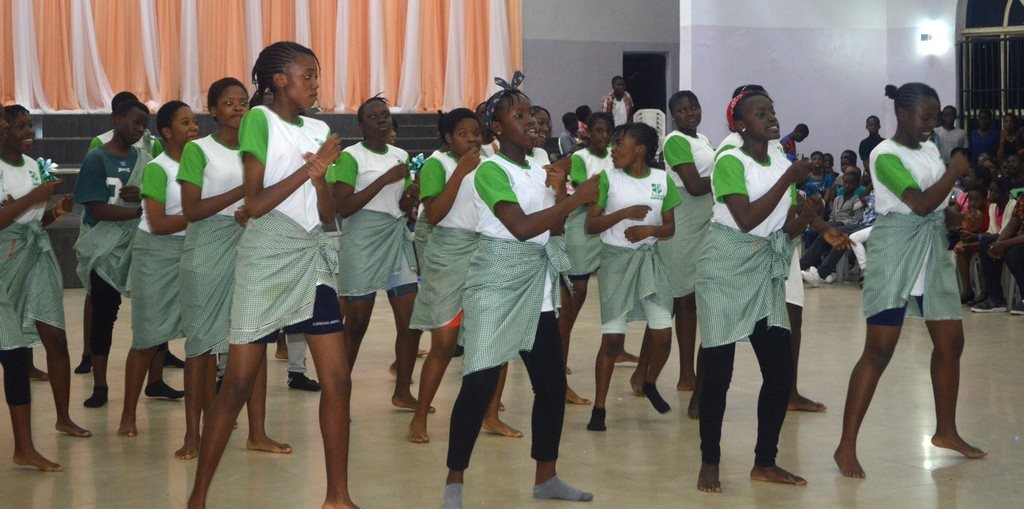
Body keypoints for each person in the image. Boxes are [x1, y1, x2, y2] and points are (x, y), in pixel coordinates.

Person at [187, 41, 355, 509]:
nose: (315, 83)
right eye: (308, 75)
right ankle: (197, 497)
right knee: (237, 383)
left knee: (338, 381)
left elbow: (327, 215)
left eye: (316, 75)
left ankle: (338, 496)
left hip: (312, 255)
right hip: (266, 257)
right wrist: (310, 170)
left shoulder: (320, 129)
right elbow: (255, 203)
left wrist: (320, 181)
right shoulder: (259, 119)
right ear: (280, 80)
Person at [441, 74, 596, 509]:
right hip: (496, 283)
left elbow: (553, 229)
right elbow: (521, 227)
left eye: (532, 113)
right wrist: (577, 197)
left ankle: (546, 477)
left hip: (538, 287)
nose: (532, 121)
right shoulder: (491, 170)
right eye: (520, 115)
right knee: (478, 384)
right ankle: (454, 484)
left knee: (551, 386)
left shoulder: (540, 164)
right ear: (496, 128)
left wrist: (559, 191)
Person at [834, 83, 987, 479]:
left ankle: (946, 431)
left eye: (935, 117)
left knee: (951, 343)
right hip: (897, 250)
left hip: (931, 249)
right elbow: (918, 203)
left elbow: (936, 206)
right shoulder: (884, 154)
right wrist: (954, 171)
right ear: (902, 114)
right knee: (879, 351)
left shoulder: (930, 149)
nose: (931, 124)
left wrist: (955, 215)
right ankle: (846, 444)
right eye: (925, 116)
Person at [695, 89, 811, 493]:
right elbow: (744, 218)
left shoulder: (779, 157)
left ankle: (765, 461)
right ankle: (710, 461)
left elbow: (783, 223)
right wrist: (788, 180)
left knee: (779, 371)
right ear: (741, 125)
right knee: (718, 372)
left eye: (772, 110)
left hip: (763, 265)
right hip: (724, 265)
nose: (771, 117)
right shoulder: (730, 160)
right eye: (761, 113)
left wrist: (808, 217)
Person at [407, 108, 519, 443]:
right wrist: (460, 173)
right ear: (447, 138)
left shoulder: (491, 163)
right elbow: (434, 215)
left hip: (485, 250)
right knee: (444, 342)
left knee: (495, 338)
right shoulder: (437, 165)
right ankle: (419, 417)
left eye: (475, 133)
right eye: (462, 133)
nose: (471, 139)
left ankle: (491, 414)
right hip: (448, 252)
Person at [1, 109, 91, 473]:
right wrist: (33, 197)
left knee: (55, 335)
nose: (28, 132)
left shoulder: (32, 166)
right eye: (18, 127)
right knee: (13, 354)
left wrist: (54, 211)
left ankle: (63, 417)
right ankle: (23, 447)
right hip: (5, 258)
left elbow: (33, 219)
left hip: (36, 254)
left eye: (28, 126)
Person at [74, 99, 179, 408]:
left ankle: (156, 380)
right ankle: (100, 384)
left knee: (154, 309)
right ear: (116, 119)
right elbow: (97, 209)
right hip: (104, 247)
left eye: (144, 125)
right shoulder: (96, 158)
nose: (140, 129)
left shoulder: (146, 159)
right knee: (104, 313)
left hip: (141, 243)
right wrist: (137, 211)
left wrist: (144, 196)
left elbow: (159, 198)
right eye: (135, 122)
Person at [585, 122, 680, 431]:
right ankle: (599, 408)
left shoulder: (662, 180)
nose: (613, 150)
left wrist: (649, 230)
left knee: (663, 334)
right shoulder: (608, 179)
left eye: (619, 144)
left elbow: (670, 228)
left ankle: (649, 381)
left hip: (651, 260)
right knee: (612, 340)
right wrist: (624, 214)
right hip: (616, 261)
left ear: (640, 150)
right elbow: (591, 225)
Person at [330, 95, 422, 411]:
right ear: (360, 125)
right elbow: (344, 207)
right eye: (373, 116)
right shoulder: (350, 157)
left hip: (395, 235)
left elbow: (402, 205)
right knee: (356, 321)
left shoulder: (400, 155)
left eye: (384, 114)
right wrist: (384, 180)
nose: (382, 120)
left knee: (411, 321)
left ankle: (402, 391)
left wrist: (412, 195)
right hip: (363, 238)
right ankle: (339, 396)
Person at [118, 100, 198, 437]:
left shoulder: (202, 164)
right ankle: (128, 414)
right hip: (155, 255)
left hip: (193, 251)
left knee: (201, 338)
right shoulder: (158, 168)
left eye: (194, 122)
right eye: (185, 123)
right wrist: (203, 215)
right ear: (166, 132)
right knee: (147, 338)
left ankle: (206, 409)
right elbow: (159, 223)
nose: (193, 128)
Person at [560, 112, 631, 406]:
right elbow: (588, 193)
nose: (603, 136)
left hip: (608, 228)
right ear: (588, 132)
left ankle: (618, 347)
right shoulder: (580, 157)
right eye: (598, 131)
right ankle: (559, 359)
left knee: (615, 291)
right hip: (582, 229)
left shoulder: (615, 155)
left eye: (607, 131)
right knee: (576, 295)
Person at [652, 90, 715, 393]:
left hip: (702, 221)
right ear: (673, 115)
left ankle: (682, 373)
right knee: (675, 301)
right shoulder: (674, 141)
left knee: (688, 300)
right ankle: (664, 373)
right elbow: (693, 185)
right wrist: (731, 176)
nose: (690, 113)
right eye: (682, 110)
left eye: (694, 107)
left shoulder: (703, 140)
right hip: (683, 220)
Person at [971, 177, 1024, 313]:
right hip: (1019, 237)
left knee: (1013, 254)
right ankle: (995, 298)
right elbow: (1014, 223)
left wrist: (1003, 244)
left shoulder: (1011, 203)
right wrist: (997, 244)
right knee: (987, 245)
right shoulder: (1022, 200)